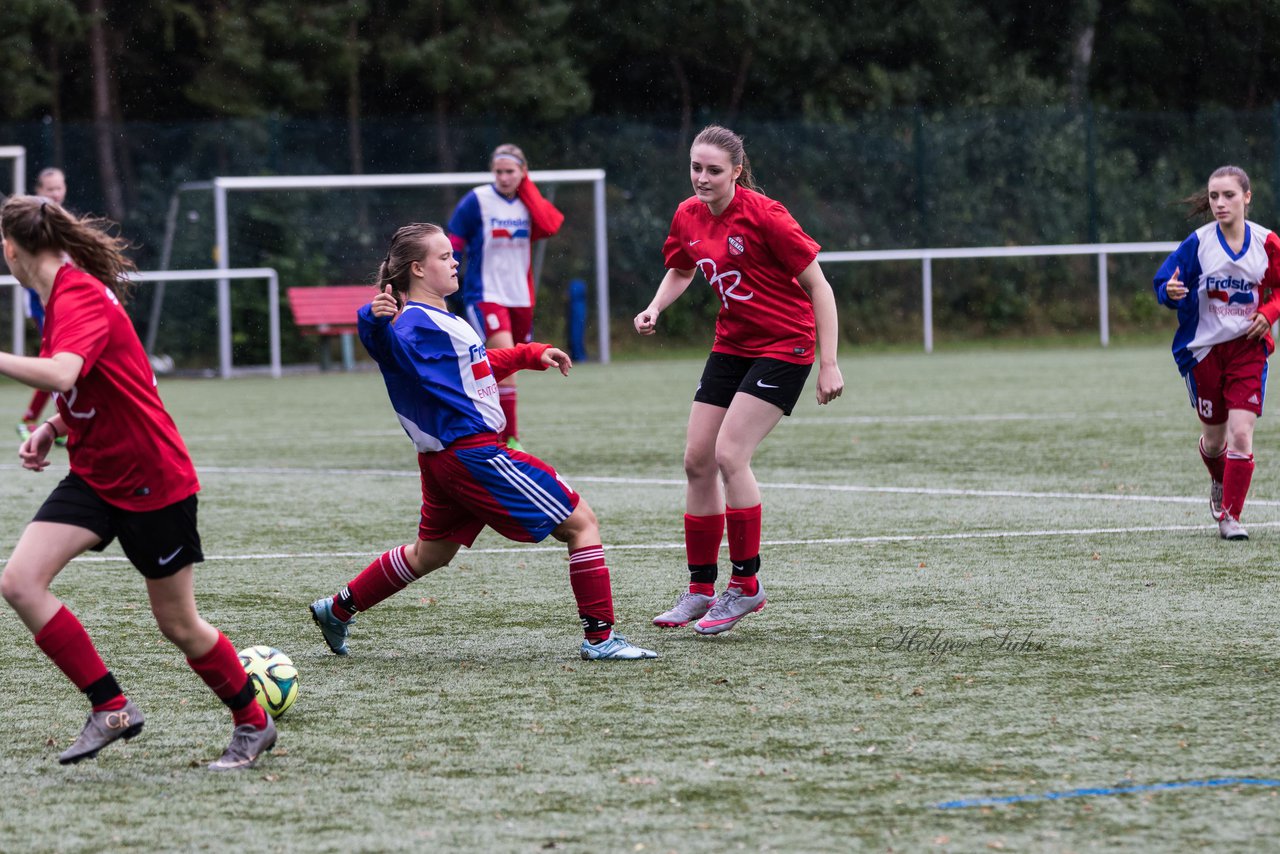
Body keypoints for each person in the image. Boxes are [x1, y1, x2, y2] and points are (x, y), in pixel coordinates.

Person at [0, 195, 276, 770]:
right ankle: (111, 708)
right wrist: (55, 424)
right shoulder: (59, 294)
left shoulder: (76, 294)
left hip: (154, 480)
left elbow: (62, 372)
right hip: (97, 473)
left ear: (13, 249)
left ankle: (253, 723)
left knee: (178, 624)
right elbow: (107, 381)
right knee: (21, 582)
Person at [309, 222, 655, 662]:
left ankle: (337, 609)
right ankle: (601, 638)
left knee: (429, 554)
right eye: (443, 256)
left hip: (444, 462)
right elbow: (388, 351)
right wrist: (371, 322)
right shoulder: (413, 324)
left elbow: (474, 367)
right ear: (417, 268)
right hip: (472, 455)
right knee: (581, 522)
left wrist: (531, 353)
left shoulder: (439, 320)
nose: (455, 261)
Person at [634, 125, 844, 635]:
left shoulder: (766, 216)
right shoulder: (688, 214)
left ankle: (747, 587)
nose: (701, 178)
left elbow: (819, 286)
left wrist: (829, 362)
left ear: (736, 172)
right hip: (732, 345)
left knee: (731, 455)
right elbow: (682, 269)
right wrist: (655, 306)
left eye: (713, 170)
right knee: (697, 460)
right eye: (695, 167)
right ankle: (700, 590)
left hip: (785, 346)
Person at [1153, 165, 1280, 540]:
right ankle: (1219, 479)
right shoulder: (1198, 243)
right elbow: (1164, 281)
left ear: (1247, 197)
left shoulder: (1268, 243)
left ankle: (1231, 517)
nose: (1220, 203)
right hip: (1204, 352)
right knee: (1214, 440)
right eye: (1213, 196)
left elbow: (1278, 291)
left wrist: (1269, 313)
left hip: (1247, 350)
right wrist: (1170, 292)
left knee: (1242, 435)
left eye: (1228, 195)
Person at [447, 144, 564, 452]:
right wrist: (448, 274)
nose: (503, 177)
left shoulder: (528, 202)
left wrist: (527, 188)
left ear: (522, 173)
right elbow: (454, 240)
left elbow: (550, 225)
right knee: (507, 363)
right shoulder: (477, 200)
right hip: (486, 293)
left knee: (499, 368)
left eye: (510, 171)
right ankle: (508, 439)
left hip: (520, 296)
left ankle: (485, 431)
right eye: (498, 171)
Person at [16, 168, 69, 443]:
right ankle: (31, 419)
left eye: (60, 188)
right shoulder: (34, 222)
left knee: (64, 364)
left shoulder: (65, 220)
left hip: (67, 305)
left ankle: (62, 422)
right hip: (44, 307)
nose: (56, 193)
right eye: (50, 189)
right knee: (54, 364)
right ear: (39, 191)